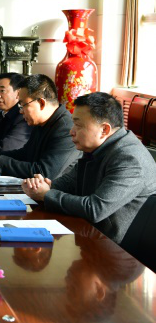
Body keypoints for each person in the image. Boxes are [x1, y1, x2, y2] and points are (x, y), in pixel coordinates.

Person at [22, 92, 156, 244]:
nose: (71, 131)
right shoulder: (98, 147)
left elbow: (95, 209)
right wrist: (43, 186)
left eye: (78, 125)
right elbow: (70, 182)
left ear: (104, 130)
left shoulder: (129, 159)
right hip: (90, 234)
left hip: (115, 248)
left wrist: (46, 195)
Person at [0, 74, 80, 179]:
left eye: (23, 105)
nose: (20, 111)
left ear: (41, 103)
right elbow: (25, 154)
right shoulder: (41, 122)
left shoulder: (66, 129)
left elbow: (43, 172)